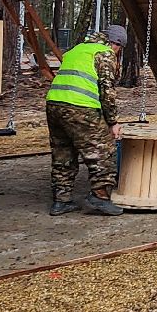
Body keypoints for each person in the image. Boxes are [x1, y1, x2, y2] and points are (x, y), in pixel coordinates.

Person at [46, 24, 128, 216]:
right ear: (116, 44)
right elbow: (107, 91)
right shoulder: (105, 53)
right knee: (103, 150)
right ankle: (100, 197)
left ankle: (61, 200)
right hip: (80, 107)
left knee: (63, 153)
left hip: (54, 105)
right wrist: (112, 122)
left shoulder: (77, 49)